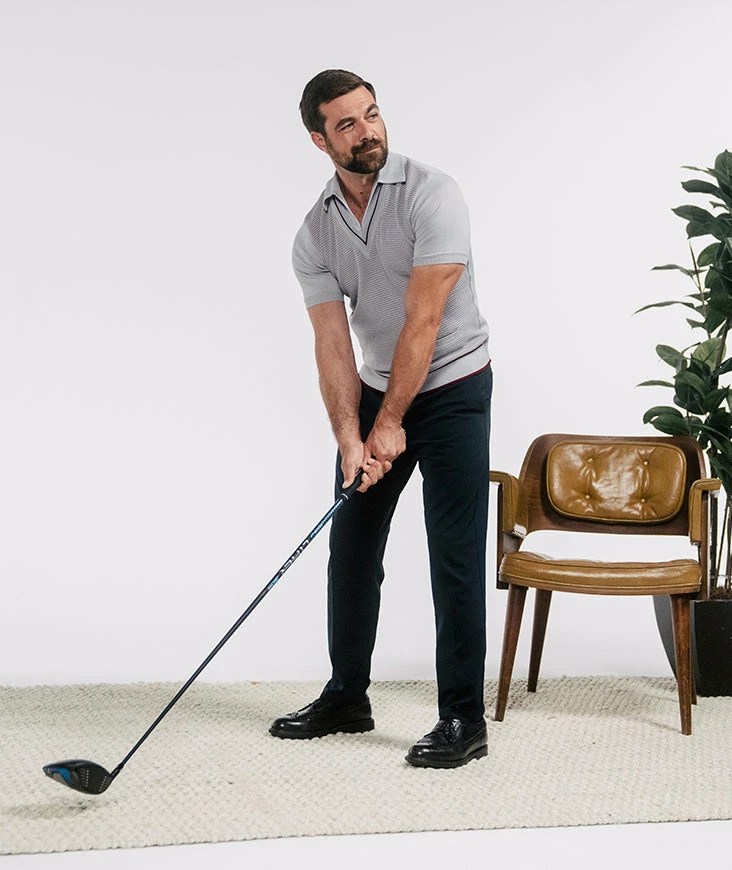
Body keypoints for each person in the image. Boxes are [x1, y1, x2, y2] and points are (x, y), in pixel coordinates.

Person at [269, 69, 492, 768]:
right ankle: (347, 697)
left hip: (454, 385)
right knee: (353, 544)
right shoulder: (314, 234)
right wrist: (349, 436)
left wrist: (391, 422)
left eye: (371, 114)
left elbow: (424, 321)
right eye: (347, 124)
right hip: (374, 389)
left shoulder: (433, 194)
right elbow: (333, 343)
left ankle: (463, 719)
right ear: (320, 140)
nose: (367, 131)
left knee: (454, 553)